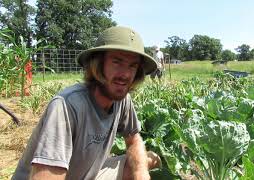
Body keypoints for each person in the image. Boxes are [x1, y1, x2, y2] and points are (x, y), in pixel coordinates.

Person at [12, 26, 161, 180]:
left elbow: (134, 139)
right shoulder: (67, 105)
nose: (125, 74)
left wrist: (141, 175)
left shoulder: (122, 100)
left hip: (88, 174)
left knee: (148, 160)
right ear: (98, 64)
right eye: (117, 62)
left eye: (133, 66)